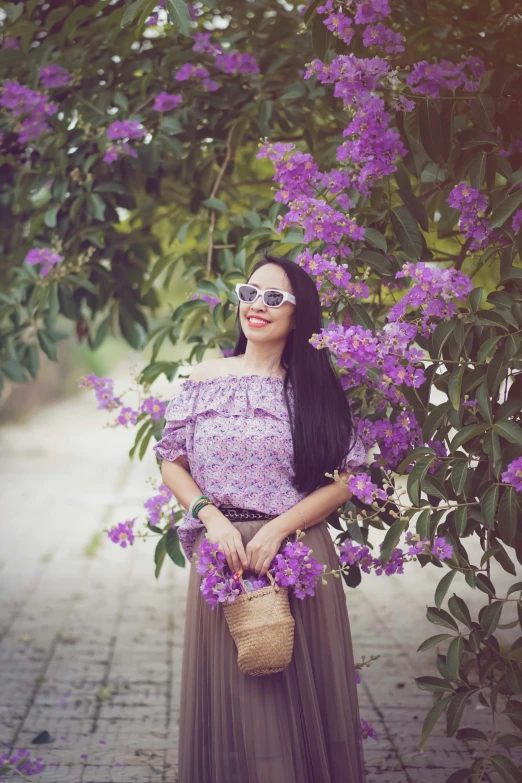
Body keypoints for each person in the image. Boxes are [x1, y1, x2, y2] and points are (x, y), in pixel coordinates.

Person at [154, 253, 368, 783]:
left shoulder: (312, 392)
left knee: (290, 706)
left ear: (298, 316)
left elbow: (347, 479)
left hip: (292, 554)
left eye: (275, 298)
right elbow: (170, 461)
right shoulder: (205, 377)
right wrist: (212, 519)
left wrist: (275, 528)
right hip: (222, 556)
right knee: (233, 701)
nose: (257, 306)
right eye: (250, 293)